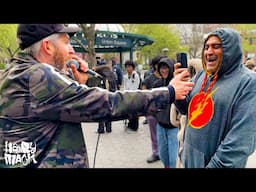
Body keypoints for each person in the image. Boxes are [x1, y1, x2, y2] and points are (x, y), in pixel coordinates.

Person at [0, 24, 194, 168]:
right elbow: (109, 104)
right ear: (47, 47)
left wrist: (76, 83)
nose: (71, 50)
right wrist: (169, 92)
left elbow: (53, 106)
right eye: (66, 43)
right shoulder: (39, 76)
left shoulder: (15, 72)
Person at [174, 28, 256, 168]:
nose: (208, 52)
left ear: (231, 50)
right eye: (206, 47)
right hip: (188, 161)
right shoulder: (202, 76)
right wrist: (179, 91)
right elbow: (187, 110)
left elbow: (240, 143)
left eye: (216, 46)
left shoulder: (248, 82)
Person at [141, 55, 165, 163]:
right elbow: (143, 95)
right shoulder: (148, 80)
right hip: (152, 112)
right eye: (161, 64)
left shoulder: (167, 77)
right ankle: (156, 153)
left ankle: (164, 152)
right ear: (156, 66)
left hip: (165, 112)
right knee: (154, 133)